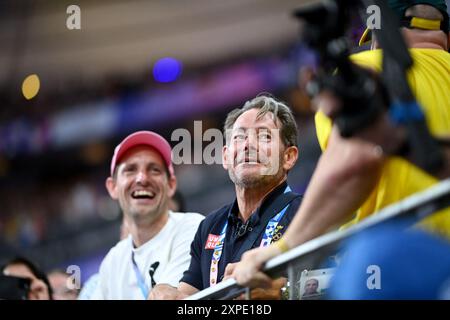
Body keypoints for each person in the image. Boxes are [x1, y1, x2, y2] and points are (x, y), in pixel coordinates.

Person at [231, 0, 450, 290]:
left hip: (401, 269)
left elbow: (353, 163)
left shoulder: (361, 75)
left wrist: (281, 249)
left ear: (375, 36)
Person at [149, 95, 303, 299]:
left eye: (264, 136)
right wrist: (167, 293)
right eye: (239, 137)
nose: (248, 145)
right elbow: (188, 297)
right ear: (226, 157)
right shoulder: (210, 226)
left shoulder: (305, 213)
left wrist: (282, 293)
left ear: (289, 157)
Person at [91, 131, 204, 299]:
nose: (142, 178)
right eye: (130, 170)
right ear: (113, 187)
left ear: (171, 185)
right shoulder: (112, 262)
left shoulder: (193, 228)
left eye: (154, 170)